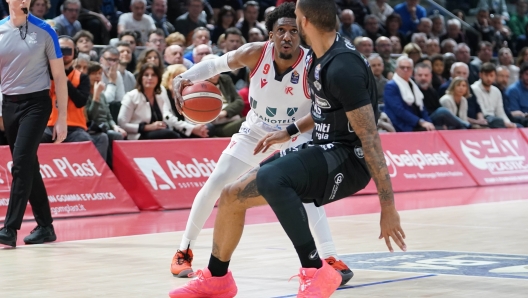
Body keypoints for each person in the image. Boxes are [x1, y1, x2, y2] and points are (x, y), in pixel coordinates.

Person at [168, 0, 405, 297]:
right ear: (271, 35)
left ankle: (323, 261)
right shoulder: (261, 53)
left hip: (310, 138)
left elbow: (351, 127)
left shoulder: (321, 63)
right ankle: (194, 258)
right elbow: (216, 65)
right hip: (258, 129)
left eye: (294, 28)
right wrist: (184, 77)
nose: (288, 36)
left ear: (303, 26)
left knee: (291, 187)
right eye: (281, 30)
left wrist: (290, 131)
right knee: (223, 187)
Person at [0, 0, 67, 247]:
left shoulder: (45, 31)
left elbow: (59, 77)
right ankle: (46, 226)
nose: (23, 0)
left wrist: (61, 118)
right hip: (9, 104)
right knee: (27, 164)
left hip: (37, 105)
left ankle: (10, 228)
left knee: (20, 164)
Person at [118, 63, 181, 140]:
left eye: (153, 75)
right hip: (137, 135)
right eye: (146, 75)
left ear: (158, 78)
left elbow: (165, 118)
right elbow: (122, 124)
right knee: (170, 135)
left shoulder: (160, 96)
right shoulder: (131, 96)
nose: (150, 78)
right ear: (141, 78)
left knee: (174, 134)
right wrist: (147, 127)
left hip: (158, 133)